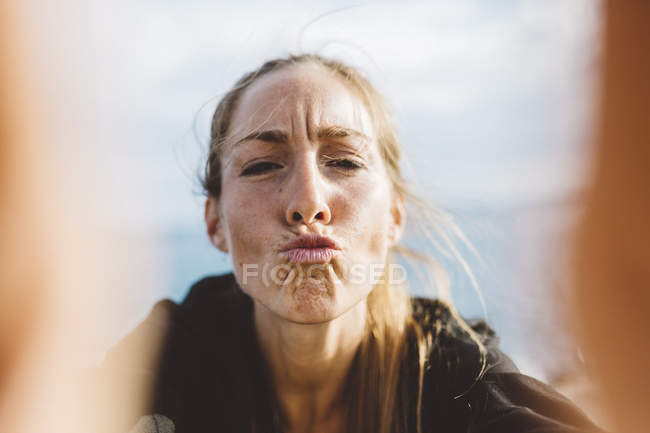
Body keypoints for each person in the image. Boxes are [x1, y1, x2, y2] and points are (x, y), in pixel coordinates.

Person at [100, 54, 604, 433]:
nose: (307, 201)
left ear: (393, 217)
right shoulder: (163, 367)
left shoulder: (462, 382)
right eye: (260, 165)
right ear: (215, 223)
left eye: (344, 161)